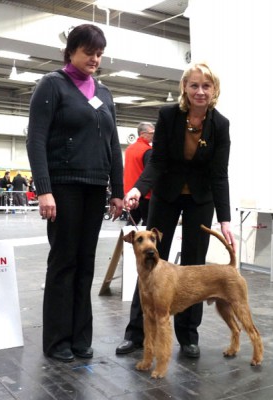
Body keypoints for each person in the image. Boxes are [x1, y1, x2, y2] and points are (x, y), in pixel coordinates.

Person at [116, 62, 236, 358]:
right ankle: (137, 333)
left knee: (194, 268)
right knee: (150, 265)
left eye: (206, 86)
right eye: (194, 85)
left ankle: (188, 335)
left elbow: (219, 174)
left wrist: (225, 220)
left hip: (200, 199)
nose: (200, 91)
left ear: (214, 90)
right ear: (184, 87)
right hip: (166, 196)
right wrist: (137, 190)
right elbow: (156, 161)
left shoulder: (220, 124)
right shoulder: (168, 116)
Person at [26, 24, 124, 363]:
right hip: (64, 186)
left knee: (85, 264)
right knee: (64, 262)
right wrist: (44, 190)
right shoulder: (51, 85)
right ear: (71, 51)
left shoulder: (105, 93)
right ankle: (57, 341)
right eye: (88, 52)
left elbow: (113, 144)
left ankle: (81, 338)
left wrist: (118, 191)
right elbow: (35, 139)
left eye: (99, 53)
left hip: (96, 188)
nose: (95, 58)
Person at [124, 122, 154, 226]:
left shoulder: (129, 149)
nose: (153, 135)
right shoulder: (148, 150)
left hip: (130, 193)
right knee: (148, 223)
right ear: (143, 134)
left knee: (132, 222)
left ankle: (125, 241)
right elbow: (150, 173)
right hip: (145, 194)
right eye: (151, 133)